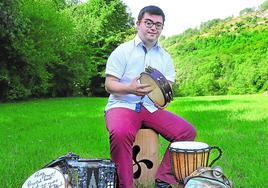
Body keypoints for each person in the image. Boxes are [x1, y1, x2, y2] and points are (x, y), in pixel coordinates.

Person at [104, 5, 196, 188]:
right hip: (123, 105)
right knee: (120, 133)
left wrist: (162, 96)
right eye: (148, 23)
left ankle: (163, 180)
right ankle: (125, 185)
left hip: (151, 108)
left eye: (158, 25)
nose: (153, 28)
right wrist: (130, 88)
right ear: (138, 24)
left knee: (187, 132)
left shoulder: (165, 57)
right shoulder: (122, 51)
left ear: (162, 28)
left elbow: (168, 85)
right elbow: (109, 84)